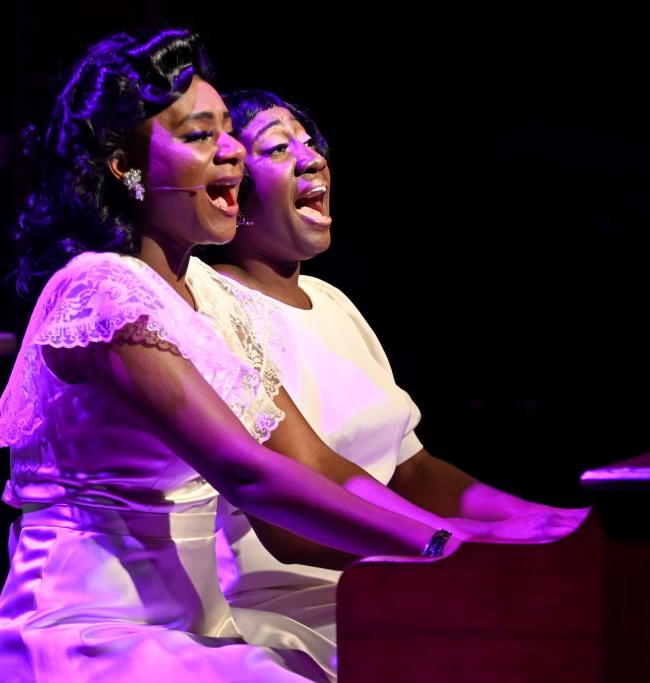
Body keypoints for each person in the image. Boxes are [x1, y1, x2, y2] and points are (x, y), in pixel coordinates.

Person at [0, 28, 476, 683]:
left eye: (227, 133)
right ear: (124, 167)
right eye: (200, 136)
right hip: (94, 634)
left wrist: (457, 542)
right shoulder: (100, 289)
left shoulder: (211, 295)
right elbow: (248, 472)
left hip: (197, 629)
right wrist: (438, 547)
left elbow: (317, 461)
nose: (233, 150)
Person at [190, 89, 590, 654]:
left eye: (311, 143)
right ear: (234, 190)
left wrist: (542, 522)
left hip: (403, 577)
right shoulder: (214, 306)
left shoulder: (330, 301)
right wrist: (465, 550)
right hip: (299, 610)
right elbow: (296, 503)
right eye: (279, 149)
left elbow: (412, 470)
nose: (311, 158)